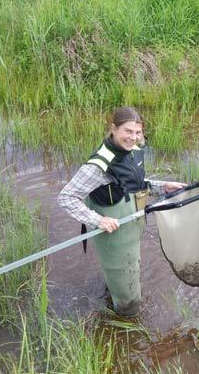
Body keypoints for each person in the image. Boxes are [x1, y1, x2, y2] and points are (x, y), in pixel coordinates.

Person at [57, 106, 186, 317]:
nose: (133, 138)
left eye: (137, 132)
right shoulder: (100, 165)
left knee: (128, 270)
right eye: (127, 131)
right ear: (114, 129)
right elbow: (66, 197)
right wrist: (97, 219)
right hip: (113, 234)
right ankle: (127, 321)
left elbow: (132, 184)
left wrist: (162, 186)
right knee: (129, 300)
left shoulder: (133, 150)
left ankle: (114, 297)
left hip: (131, 228)